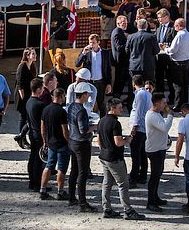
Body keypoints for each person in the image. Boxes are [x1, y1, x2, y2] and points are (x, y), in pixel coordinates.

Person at [98, 97, 145, 220]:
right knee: (123, 184)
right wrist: (127, 140)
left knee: (107, 183)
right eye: (119, 108)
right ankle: (128, 210)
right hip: (114, 158)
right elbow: (118, 142)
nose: (121, 110)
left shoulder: (101, 120)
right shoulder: (115, 123)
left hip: (104, 156)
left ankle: (106, 208)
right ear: (112, 108)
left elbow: (99, 140)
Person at [67, 82, 95, 212]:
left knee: (74, 171)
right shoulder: (81, 110)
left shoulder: (72, 106)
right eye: (87, 94)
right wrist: (94, 127)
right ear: (83, 95)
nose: (88, 96)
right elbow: (83, 130)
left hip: (72, 141)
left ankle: (72, 197)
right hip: (81, 143)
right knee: (82, 174)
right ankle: (83, 203)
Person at [144, 93, 174, 212]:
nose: (165, 105)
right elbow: (164, 128)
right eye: (163, 103)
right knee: (154, 177)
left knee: (158, 175)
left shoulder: (156, 114)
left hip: (159, 149)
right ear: (156, 103)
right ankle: (151, 202)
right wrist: (170, 116)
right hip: (155, 150)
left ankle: (155, 198)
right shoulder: (153, 116)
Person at [40, 88, 70, 200]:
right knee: (61, 168)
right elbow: (65, 130)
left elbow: (42, 128)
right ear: (61, 96)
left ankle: (42, 189)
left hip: (51, 143)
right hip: (62, 144)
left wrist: (45, 141)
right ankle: (60, 192)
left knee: (49, 166)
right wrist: (69, 142)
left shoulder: (46, 109)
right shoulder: (62, 112)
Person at [75, 34, 112, 117]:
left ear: (98, 42)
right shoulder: (86, 52)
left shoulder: (105, 53)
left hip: (100, 82)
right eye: (90, 42)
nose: (91, 44)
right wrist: (83, 53)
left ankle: (103, 122)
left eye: (93, 43)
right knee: (87, 103)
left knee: (101, 104)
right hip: (89, 82)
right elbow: (77, 64)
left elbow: (108, 70)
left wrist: (109, 84)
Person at [162, 17, 189, 110]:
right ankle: (185, 103)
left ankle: (178, 105)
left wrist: (165, 49)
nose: (174, 27)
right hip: (186, 61)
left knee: (178, 85)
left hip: (177, 62)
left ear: (179, 26)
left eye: (175, 25)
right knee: (185, 84)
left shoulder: (179, 35)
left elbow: (173, 50)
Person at [128, 74, 152, 186]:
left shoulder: (140, 94)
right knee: (142, 152)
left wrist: (134, 127)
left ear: (133, 83)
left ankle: (134, 177)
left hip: (139, 127)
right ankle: (142, 175)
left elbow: (138, 112)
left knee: (136, 154)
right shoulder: (146, 94)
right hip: (144, 127)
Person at [26, 78, 46, 192]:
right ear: (38, 89)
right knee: (38, 160)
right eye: (42, 88)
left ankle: (32, 182)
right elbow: (43, 123)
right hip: (39, 134)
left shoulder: (29, 101)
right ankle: (37, 184)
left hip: (32, 133)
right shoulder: (40, 104)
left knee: (33, 157)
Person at [15, 48, 38, 147]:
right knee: (23, 117)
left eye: (35, 54)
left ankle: (23, 136)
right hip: (22, 95)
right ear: (27, 56)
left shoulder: (32, 66)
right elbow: (20, 83)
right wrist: (24, 99)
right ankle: (21, 138)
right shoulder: (22, 66)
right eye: (33, 54)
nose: (35, 55)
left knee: (29, 117)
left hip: (29, 94)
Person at [126, 19, 158, 83]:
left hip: (134, 65)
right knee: (148, 85)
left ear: (137, 26)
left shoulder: (131, 37)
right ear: (146, 26)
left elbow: (127, 50)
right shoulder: (152, 37)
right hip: (148, 65)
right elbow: (156, 50)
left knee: (135, 86)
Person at [110, 15, 131, 104]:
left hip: (122, 61)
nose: (125, 24)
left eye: (126, 22)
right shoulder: (117, 32)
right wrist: (128, 42)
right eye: (123, 23)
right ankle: (115, 98)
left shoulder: (120, 32)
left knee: (122, 81)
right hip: (120, 61)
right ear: (118, 23)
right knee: (119, 81)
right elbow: (119, 47)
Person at [154, 9, 176, 94]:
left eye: (160, 17)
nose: (159, 19)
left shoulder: (173, 27)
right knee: (159, 77)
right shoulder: (159, 27)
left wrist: (168, 46)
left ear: (166, 17)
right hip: (159, 56)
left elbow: (175, 41)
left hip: (169, 56)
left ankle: (171, 97)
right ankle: (160, 95)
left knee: (170, 78)